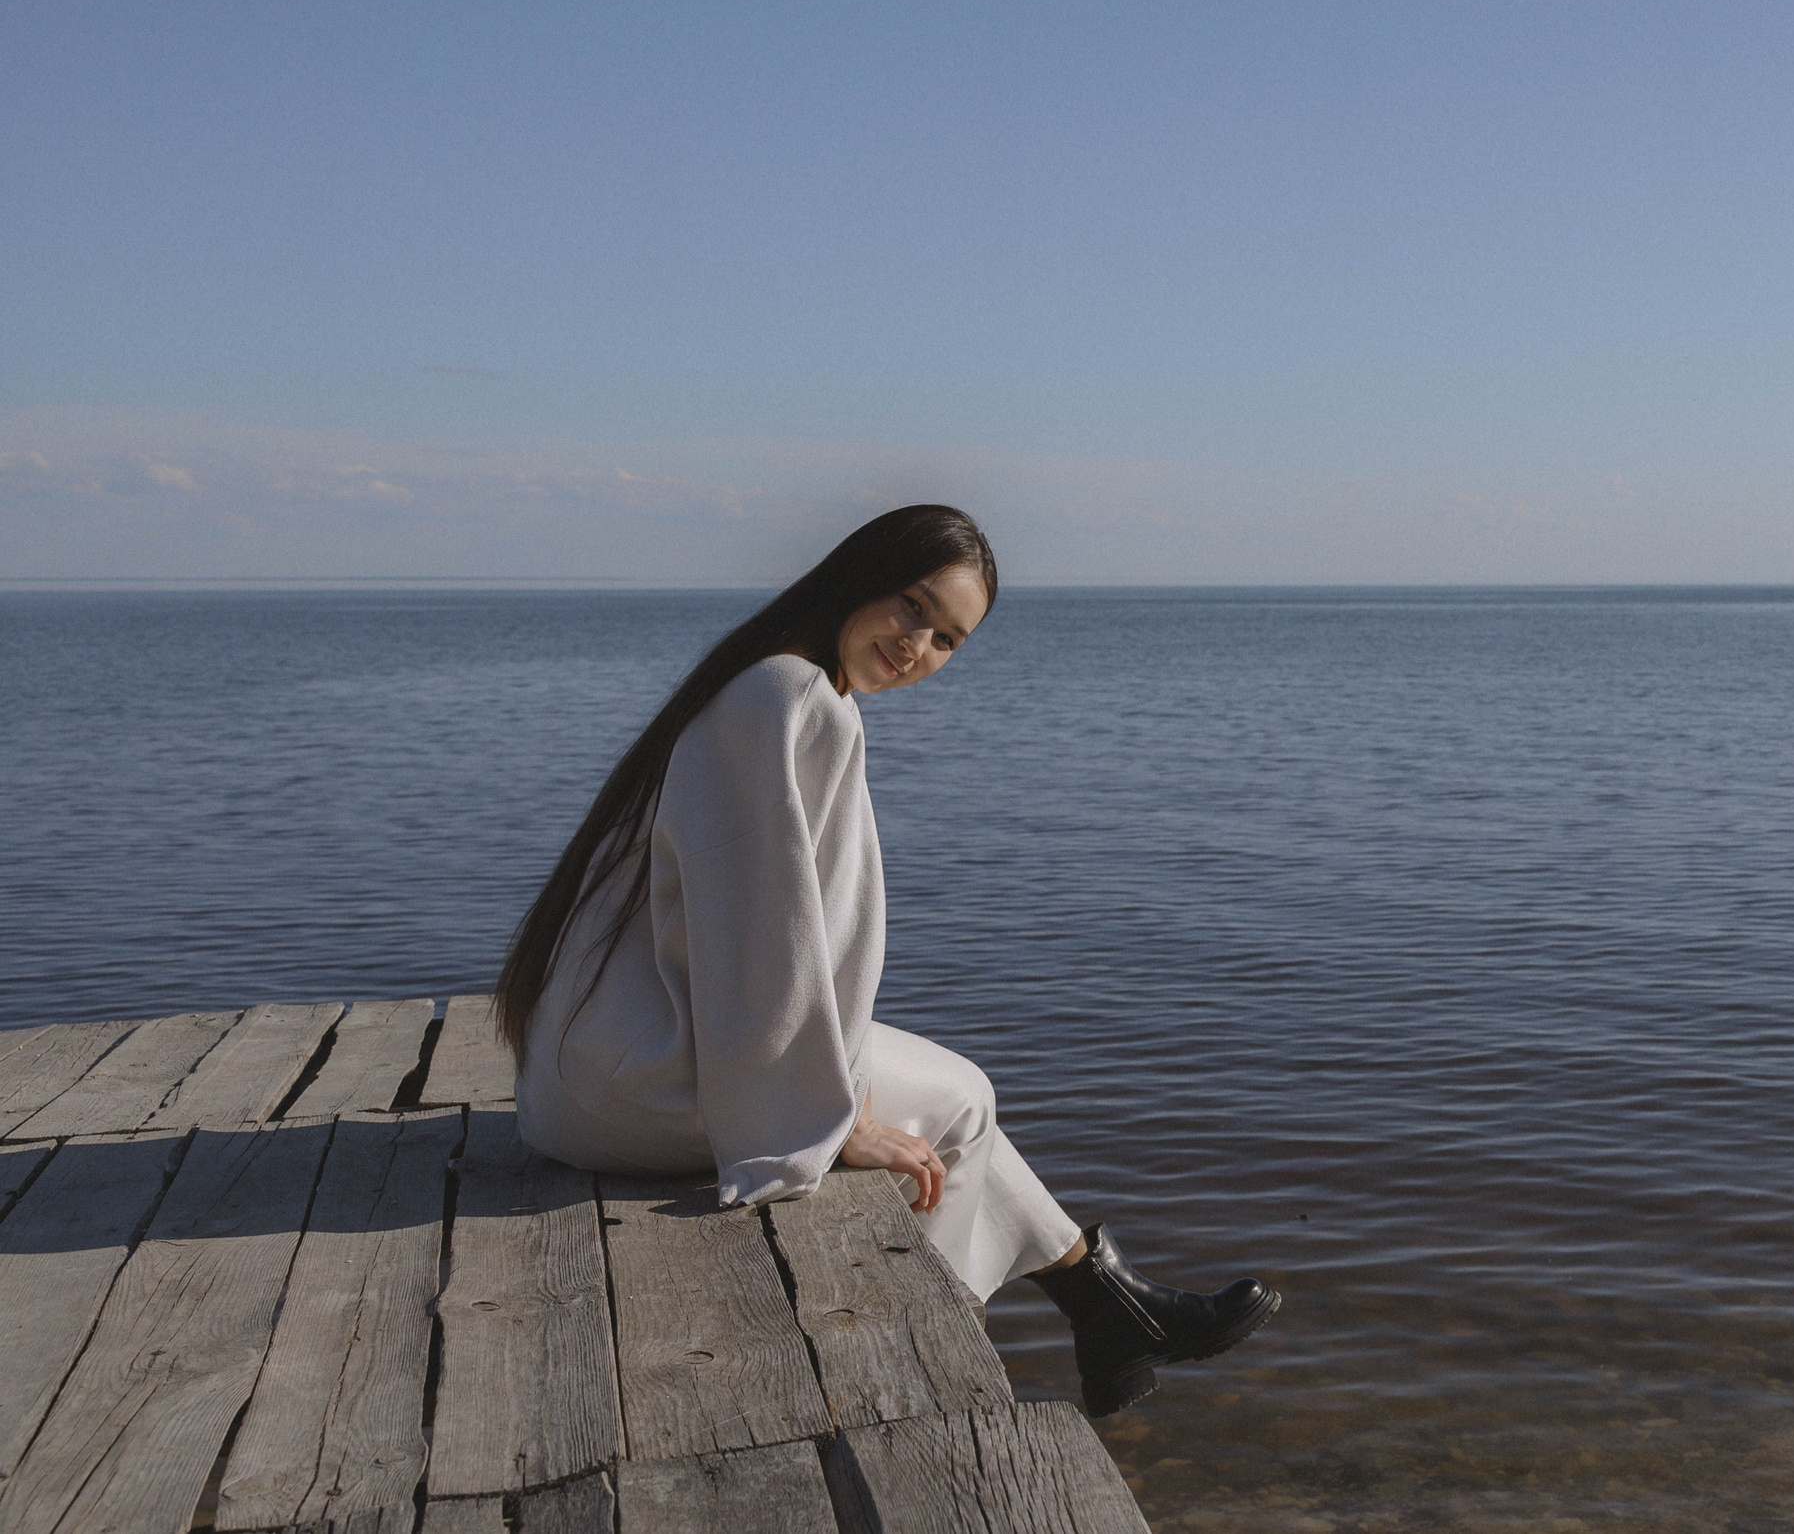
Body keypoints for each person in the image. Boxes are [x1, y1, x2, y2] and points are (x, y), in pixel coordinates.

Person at [495, 503, 1276, 1417]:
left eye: (948, 639)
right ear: (858, 576)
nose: (918, 646)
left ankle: (1105, 1306)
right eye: (912, 606)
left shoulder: (776, 684)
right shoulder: (788, 699)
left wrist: (838, 1092)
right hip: (629, 1088)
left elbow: (762, 935)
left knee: (958, 1093)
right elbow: (759, 933)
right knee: (951, 1112)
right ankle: (914, 1386)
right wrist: (825, 1120)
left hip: (600, 1068)